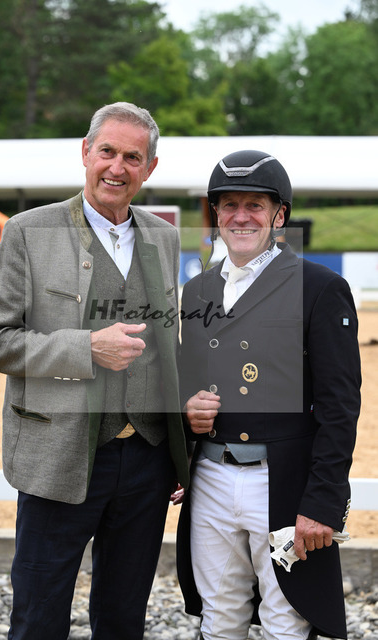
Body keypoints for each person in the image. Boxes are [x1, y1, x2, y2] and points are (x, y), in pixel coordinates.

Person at [0, 102, 190, 640]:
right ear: (86, 153)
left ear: (150, 168)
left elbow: (169, 347)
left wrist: (182, 447)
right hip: (57, 458)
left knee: (123, 621)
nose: (117, 167)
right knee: (38, 620)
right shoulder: (28, 230)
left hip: (146, 463)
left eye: (132, 157)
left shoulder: (164, 237)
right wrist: (85, 348)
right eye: (107, 152)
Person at [176, 149, 361, 640]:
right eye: (229, 205)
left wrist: (323, 500)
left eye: (255, 205)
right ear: (216, 215)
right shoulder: (197, 292)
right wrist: (186, 411)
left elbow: (340, 406)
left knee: (286, 623)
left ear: (279, 216)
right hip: (211, 478)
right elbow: (187, 379)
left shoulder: (320, 287)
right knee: (218, 618)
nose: (241, 217)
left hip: (281, 482)